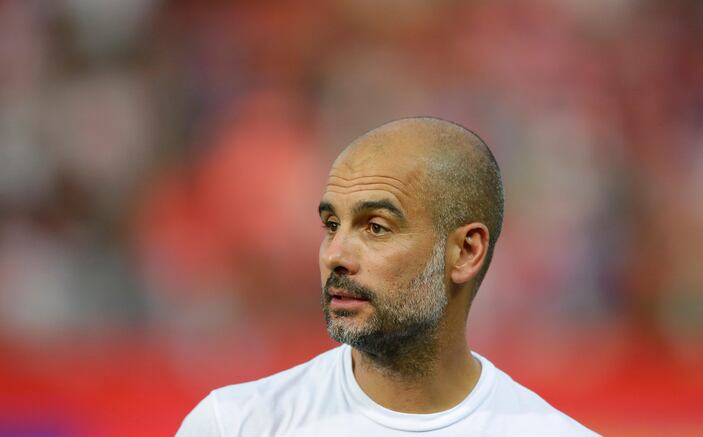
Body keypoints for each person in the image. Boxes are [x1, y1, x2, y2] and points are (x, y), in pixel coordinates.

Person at [176, 117, 598, 436]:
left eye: (375, 227)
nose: (335, 255)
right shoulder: (235, 426)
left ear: (466, 251)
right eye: (330, 225)